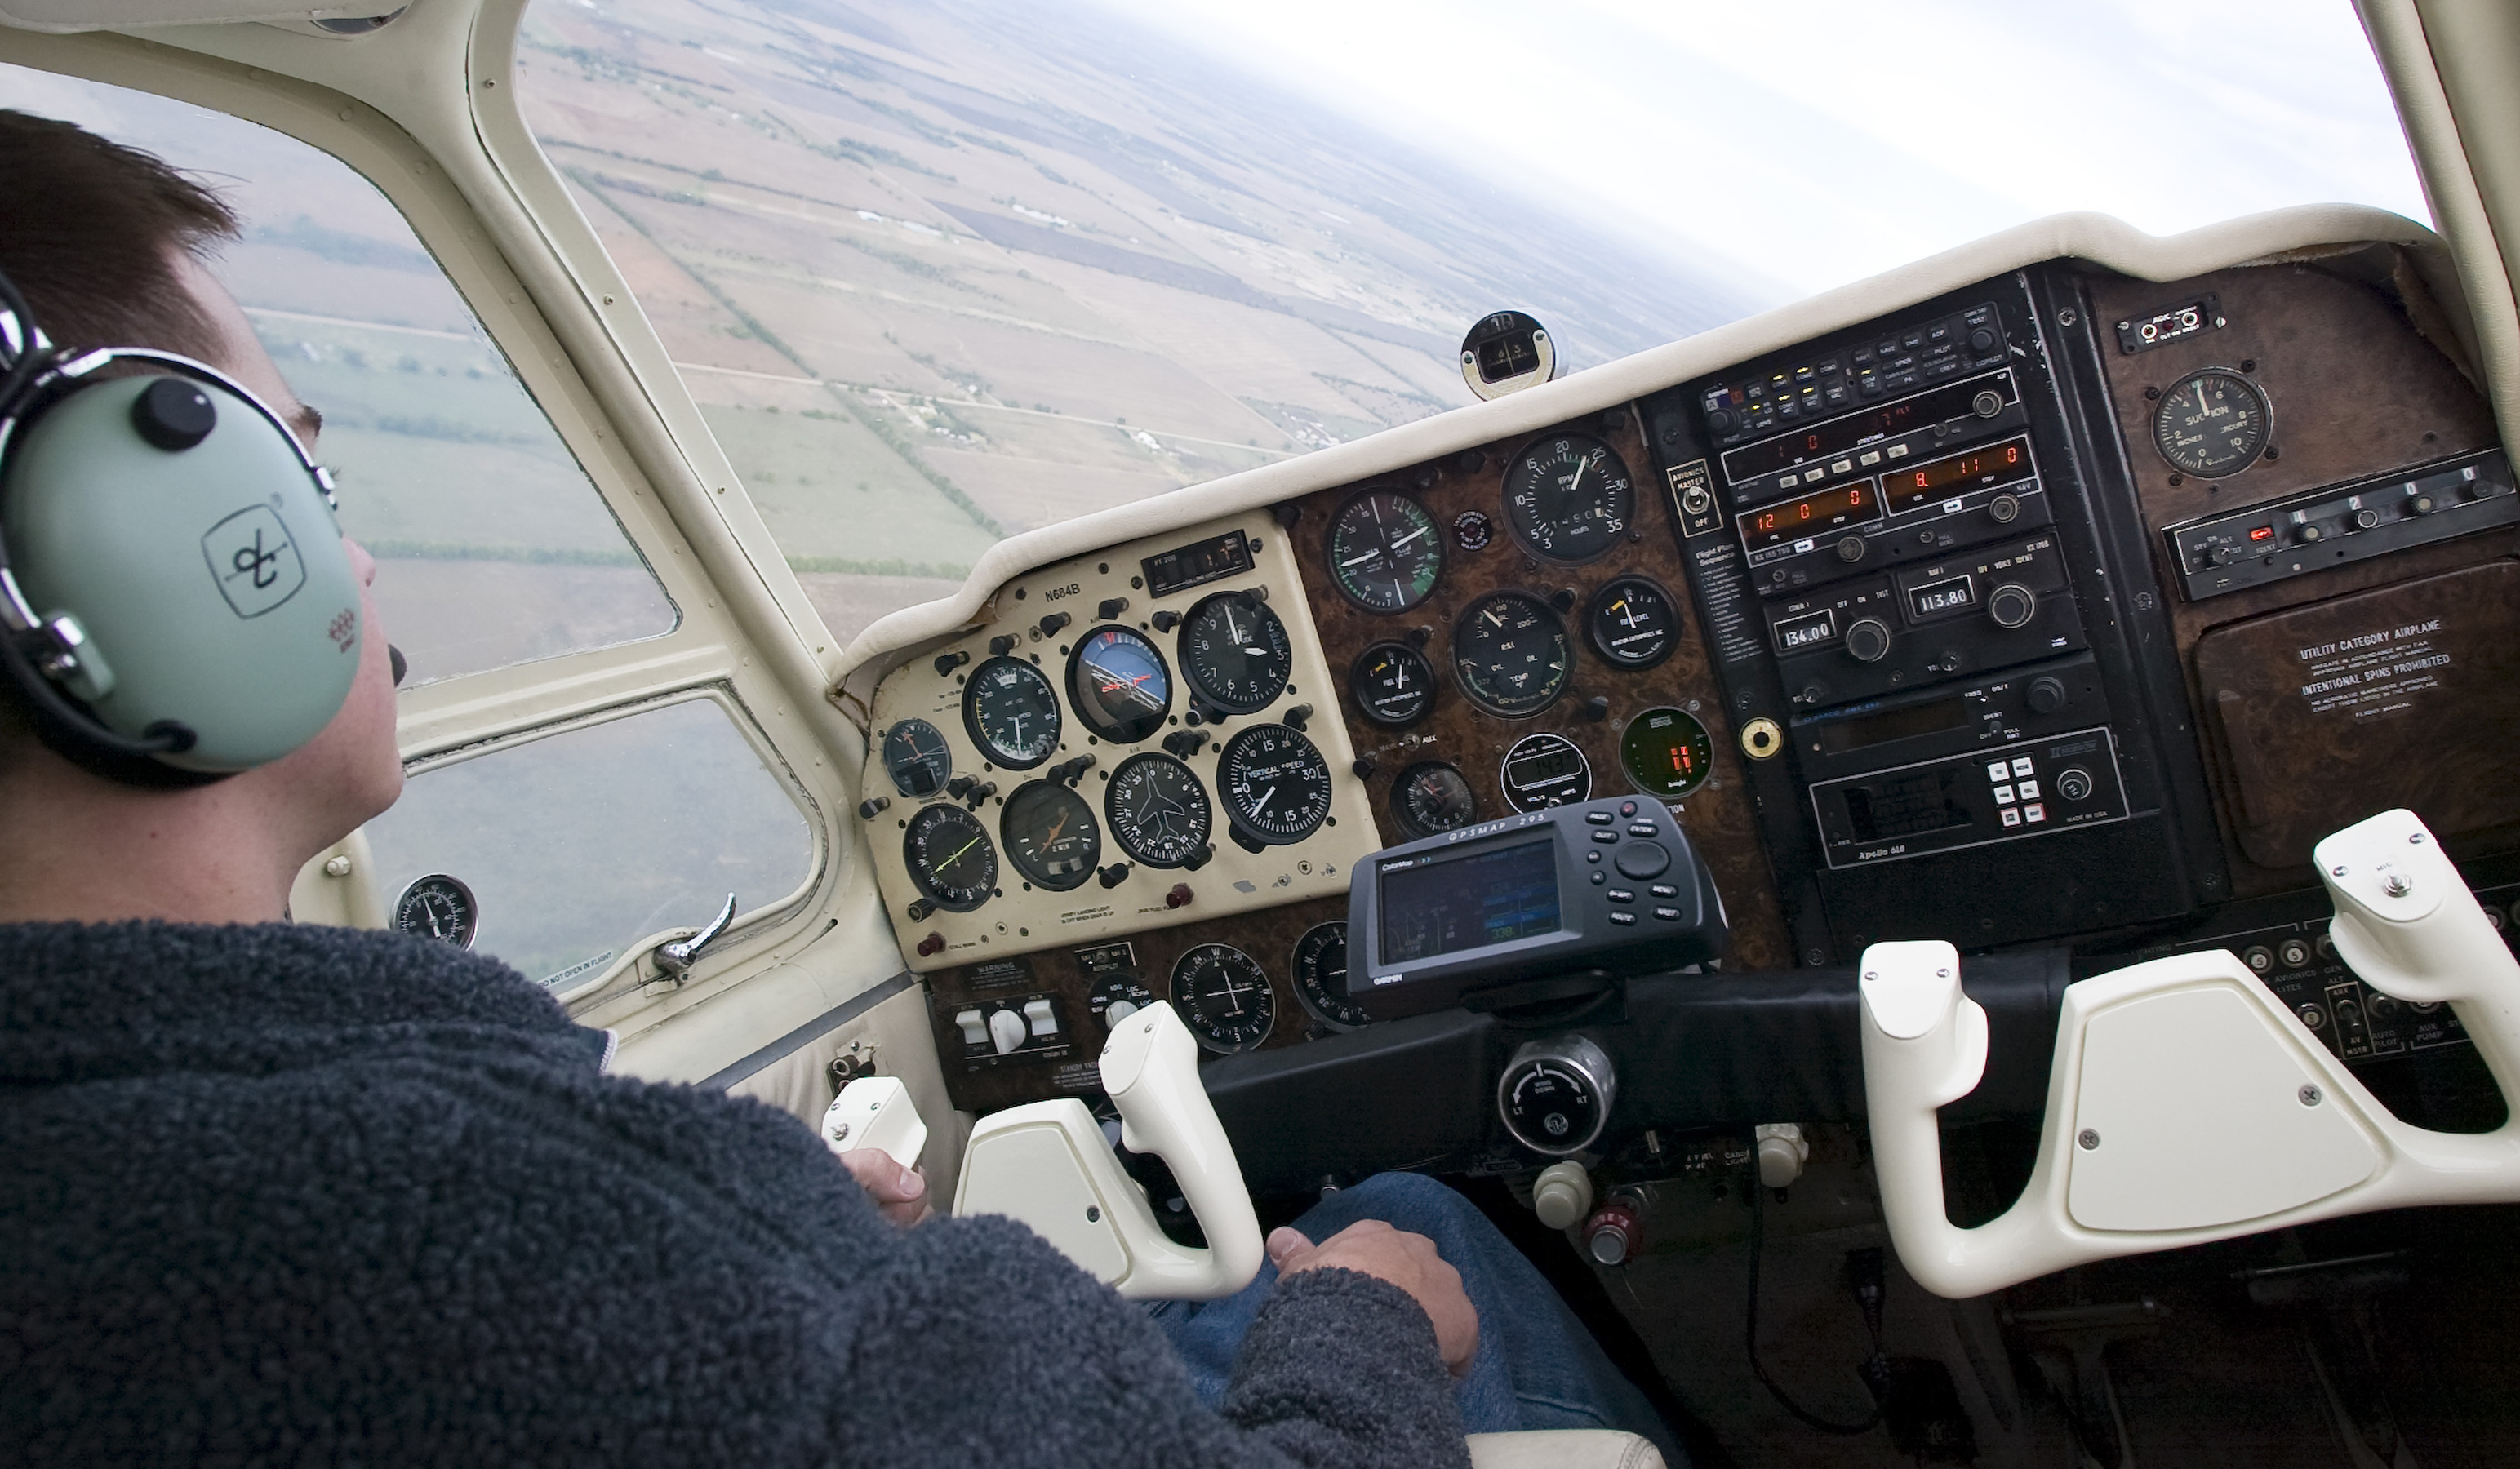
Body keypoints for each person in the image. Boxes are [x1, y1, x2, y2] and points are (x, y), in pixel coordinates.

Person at [0, 109, 1676, 1465]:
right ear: (137, 559)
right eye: (300, 474)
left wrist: (778, 1238)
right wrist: (1361, 1328)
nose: (353, 553)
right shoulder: (464, 1220)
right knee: (1411, 1229)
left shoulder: (213, 1167)